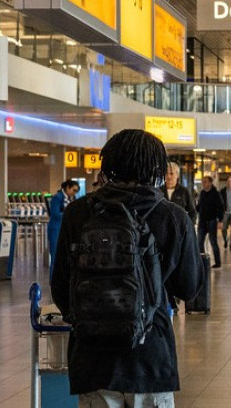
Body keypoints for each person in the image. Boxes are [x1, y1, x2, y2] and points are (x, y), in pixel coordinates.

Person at [51, 129, 203, 407]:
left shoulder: (78, 213)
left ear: (108, 164)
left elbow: (60, 285)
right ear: (156, 169)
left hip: (92, 359)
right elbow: (189, 287)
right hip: (150, 356)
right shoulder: (173, 216)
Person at [197, 174, 224, 269]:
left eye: (205, 182)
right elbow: (199, 206)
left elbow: (220, 207)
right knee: (199, 241)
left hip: (212, 221)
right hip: (202, 221)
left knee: (213, 242)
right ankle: (202, 261)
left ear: (210, 183)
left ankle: (218, 262)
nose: (203, 184)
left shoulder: (216, 194)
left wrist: (220, 220)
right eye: (202, 182)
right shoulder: (202, 193)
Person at [48, 180, 78, 266]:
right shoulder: (57, 197)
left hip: (65, 230)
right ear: (68, 187)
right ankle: (53, 278)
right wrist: (68, 213)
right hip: (56, 229)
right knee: (55, 257)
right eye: (74, 190)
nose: (74, 193)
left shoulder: (71, 199)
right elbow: (55, 214)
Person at [164, 162, 197, 227]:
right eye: (166, 173)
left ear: (177, 175)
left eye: (171, 173)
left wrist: (189, 227)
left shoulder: (184, 192)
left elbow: (192, 212)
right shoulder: (159, 191)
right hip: (162, 231)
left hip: (179, 229)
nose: (169, 176)